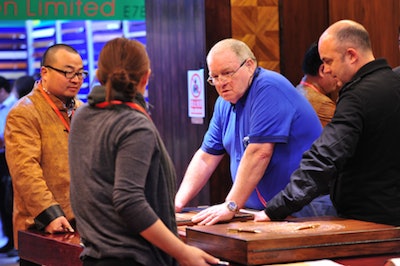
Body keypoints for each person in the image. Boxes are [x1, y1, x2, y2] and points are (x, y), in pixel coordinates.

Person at [69, 38, 219, 266]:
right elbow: (129, 201)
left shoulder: (81, 116)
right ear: (146, 77)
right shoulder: (133, 123)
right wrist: (182, 251)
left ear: (99, 74)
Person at [254, 20, 400, 226]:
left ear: (351, 55)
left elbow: (324, 157)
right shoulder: (394, 83)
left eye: (329, 61)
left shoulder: (358, 96)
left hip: (369, 220)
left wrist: (276, 208)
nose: (326, 70)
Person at [175, 38, 331, 226]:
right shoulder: (224, 102)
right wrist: (176, 204)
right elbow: (206, 157)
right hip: (261, 212)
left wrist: (231, 205)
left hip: (302, 208)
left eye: (227, 73)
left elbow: (260, 152)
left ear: (250, 65)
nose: (221, 83)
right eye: (214, 77)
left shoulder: (269, 87)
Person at [4, 44, 85, 258]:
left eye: (80, 73)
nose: (76, 79)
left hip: (83, 224)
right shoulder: (24, 112)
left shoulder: (83, 109)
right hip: (42, 227)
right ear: (45, 72)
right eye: (68, 72)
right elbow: (25, 171)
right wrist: (49, 215)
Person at [296, 42, 341, 127]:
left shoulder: (296, 91)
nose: (337, 78)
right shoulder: (324, 105)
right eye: (335, 70)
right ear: (322, 70)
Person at [0, 76, 18, 255]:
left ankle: (16, 243)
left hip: (10, 159)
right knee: (2, 201)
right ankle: (8, 240)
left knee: (10, 201)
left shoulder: (16, 107)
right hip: (1, 160)